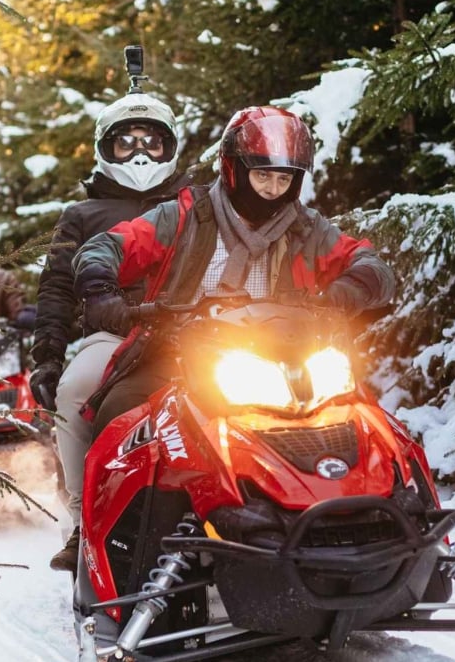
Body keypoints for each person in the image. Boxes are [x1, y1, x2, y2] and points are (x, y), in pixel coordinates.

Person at [72, 104, 397, 440]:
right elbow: (107, 246)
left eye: (284, 179)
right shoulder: (185, 216)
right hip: (177, 353)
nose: (272, 189)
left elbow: (371, 266)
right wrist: (100, 289)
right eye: (262, 175)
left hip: (285, 357)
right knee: (121, 411)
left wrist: (343, 294)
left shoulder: (307, 229)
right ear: (234, 170)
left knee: (361, 421)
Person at [29, 92, 190, 571]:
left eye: (151, 142)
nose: (140, 154)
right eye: (126, 143)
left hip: (194, 335)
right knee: (75, 391)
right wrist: (48, 356)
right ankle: (84, 522)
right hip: (114, 337)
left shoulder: (195, 202)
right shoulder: (81, 215)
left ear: (169, 146)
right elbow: (57, 288)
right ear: (106, 148)